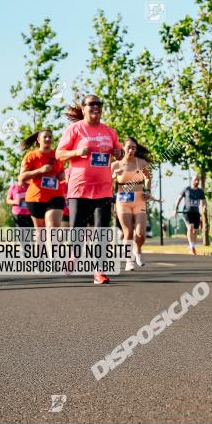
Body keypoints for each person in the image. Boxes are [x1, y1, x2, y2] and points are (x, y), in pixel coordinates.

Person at [56, 94, 123, 284]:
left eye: (99, 104)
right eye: (91, 104)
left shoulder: (110, 132)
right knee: (77, 229)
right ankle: (74, 254)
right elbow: (59, 154)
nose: (96, 107)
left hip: (103, 189)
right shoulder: (75, 129)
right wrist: (77, 152)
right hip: (79, 188)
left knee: (101, 230)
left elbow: (119, 152)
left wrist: (119, 153)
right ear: (83, 108)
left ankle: (99, 270)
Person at [112, 137, 151, 271]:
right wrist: (113, 176)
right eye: (128, 147)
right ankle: (129, 260)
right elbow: (106, 181)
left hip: (139, 200)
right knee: (128, 232)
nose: (131, 150)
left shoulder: (141, 163)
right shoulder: (115, 165)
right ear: (123, 148)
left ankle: (138, 250)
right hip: (123, 202)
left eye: (134, 148)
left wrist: (148, 190)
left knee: (141, 234)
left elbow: (147, 178)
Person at [18, 129, 66, 229]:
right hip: (36, 197)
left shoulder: (57, 155)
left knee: (53, 227)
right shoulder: (31, 156)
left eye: (50, 137)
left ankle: (52, 245)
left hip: (56, 195)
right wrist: (40, 170)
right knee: (40, 231)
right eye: (45, 137)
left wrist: (62, 175)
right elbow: (22, 176)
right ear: (39, 140)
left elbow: (61, 172)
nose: (48, 139)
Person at [174, 175, 205, 255]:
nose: (197, 182)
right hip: (187, 212)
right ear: (192, 180)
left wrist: (204, 207)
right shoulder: (187, 189)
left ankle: (193, 245)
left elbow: (204, 201)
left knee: (195, 230)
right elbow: (179, 198)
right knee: (190, 228)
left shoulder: (200, 191)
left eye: (198, 180)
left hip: (196, 213)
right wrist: (175, 209)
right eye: (195, 180)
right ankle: (191, 246)